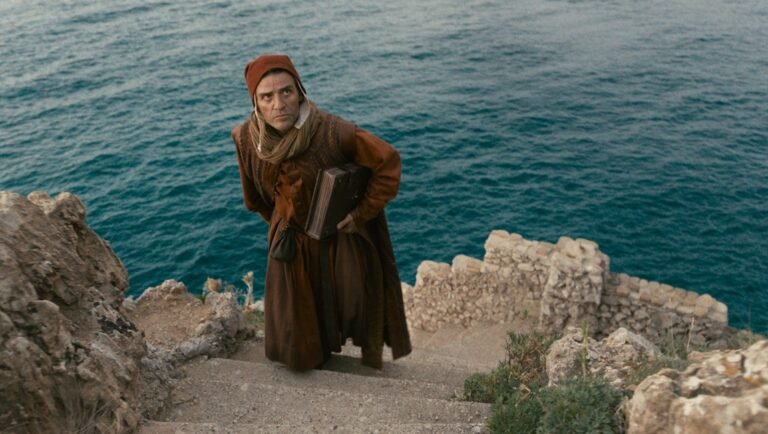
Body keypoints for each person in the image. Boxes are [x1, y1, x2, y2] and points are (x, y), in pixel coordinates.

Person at [231, 54, 411, 371]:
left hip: (335, 239)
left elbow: (388, 163)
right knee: (293, 336)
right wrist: (282, 223)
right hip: (288, 241)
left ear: (299, 91)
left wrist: (359, 214)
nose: (279, 104)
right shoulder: (246, 139)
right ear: (256, 103)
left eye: (286, 91)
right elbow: (254, 199)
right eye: (267, 97)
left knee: (341, 304)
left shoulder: (334, 132)